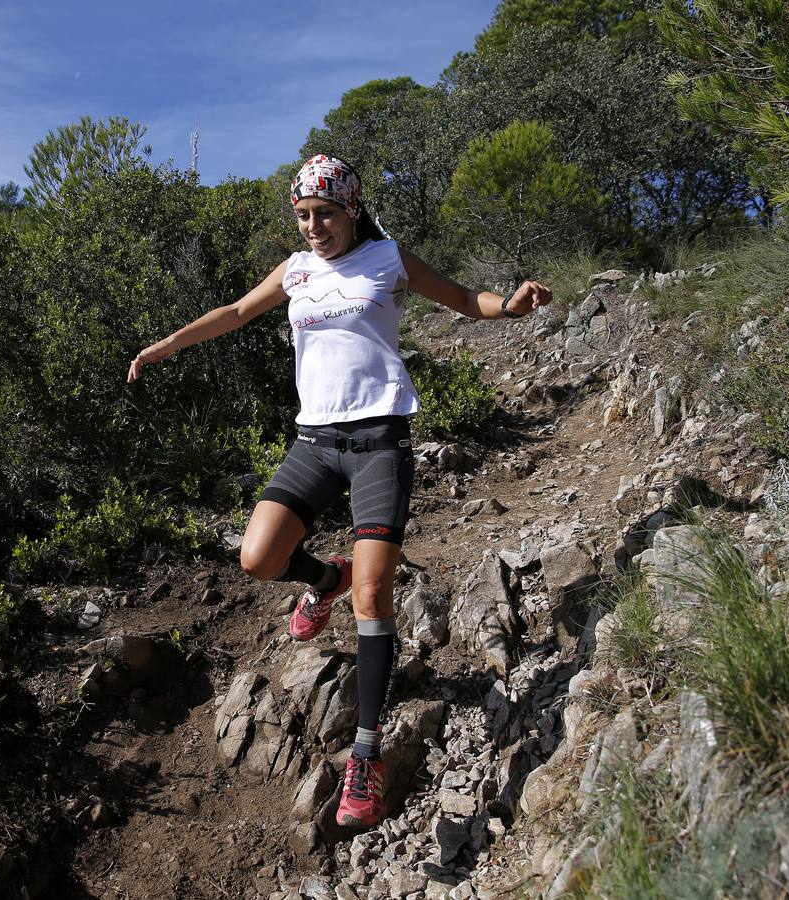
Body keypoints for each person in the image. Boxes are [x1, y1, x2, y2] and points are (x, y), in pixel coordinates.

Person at [127, 155, 552, 827]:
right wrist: (168, 345)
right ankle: (323, 579)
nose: (313, 226)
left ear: (351, 208)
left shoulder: (386, 258)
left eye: (323, 212)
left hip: (380, 441)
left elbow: (466, 300)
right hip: (315, 443)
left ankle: (365, 754)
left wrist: (512, 307)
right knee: (258, 558)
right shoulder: (296, 271)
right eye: (302, 216)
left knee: (375, 594)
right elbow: (237, 310)